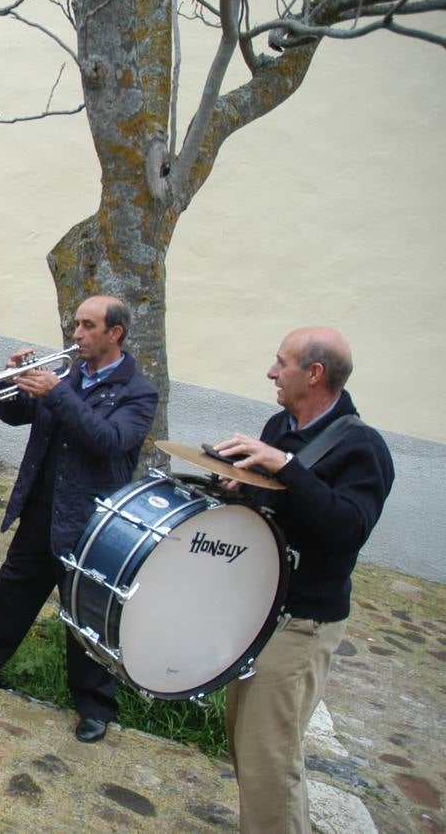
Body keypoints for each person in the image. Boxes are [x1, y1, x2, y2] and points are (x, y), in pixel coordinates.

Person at [0, 295, 158, 745]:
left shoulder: (137, 392)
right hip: (42, 507)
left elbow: (108, 440)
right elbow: (18, 416)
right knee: (10, 594)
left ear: (115, 334)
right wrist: (9, 388)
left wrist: (57, 392)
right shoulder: (67, 374)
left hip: (91, 523)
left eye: (88, 326)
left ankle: (94, 705)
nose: (77, 335)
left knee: (84, 613)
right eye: (76, 326)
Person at [216, 327, 394, 834]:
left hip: (304, 623)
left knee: (269, 760)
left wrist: (287, 468)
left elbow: (346, 530)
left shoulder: (362, 447)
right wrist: (239, 486)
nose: (272, 372)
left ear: (313, 374)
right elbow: (277, 509)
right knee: (244, 743)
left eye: (281, 363)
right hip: (261, 612)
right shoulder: (282, 424)